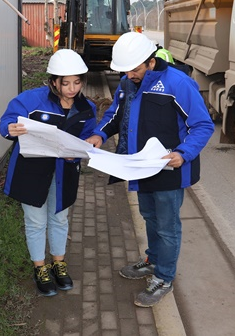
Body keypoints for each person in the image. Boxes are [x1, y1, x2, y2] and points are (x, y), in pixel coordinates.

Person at [86, 32, 214, 307]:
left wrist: (183, 153)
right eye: (125, 70)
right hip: (139, 167)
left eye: (135, 69)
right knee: (150, 217)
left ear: (151, 62)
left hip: (169, 169)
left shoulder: (178, 84)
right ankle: (153, 261)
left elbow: (202, 125)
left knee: (168, 227)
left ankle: (164, 278)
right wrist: (99, 134)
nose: (130, 74)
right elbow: (115, 116)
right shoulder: (126, 84)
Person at [0, 49, 97, 297]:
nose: (72, 89)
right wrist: (10, 129)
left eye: (77, 82)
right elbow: (6, 123)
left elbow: (87, 138)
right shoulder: (31, 101)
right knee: (35, 222)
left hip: (65, 173)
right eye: (65, 83)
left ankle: (58, 264)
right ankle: (40, 268)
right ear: (53, 81)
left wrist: (85, 148)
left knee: (60, 218)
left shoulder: (87, 108)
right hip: (31, 171)